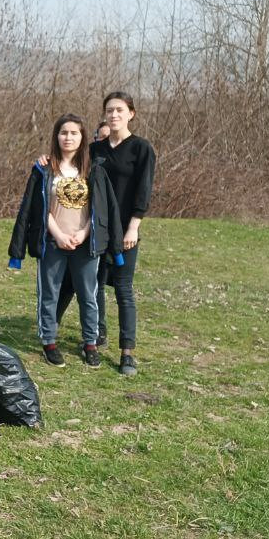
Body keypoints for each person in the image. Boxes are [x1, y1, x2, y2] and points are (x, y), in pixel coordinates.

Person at [7, 113, 123, 368]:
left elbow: (101, 209)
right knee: (49, 294)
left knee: (88, 296)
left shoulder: (94, 169)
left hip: (86, 244)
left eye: (74, 133)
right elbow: (37, 208)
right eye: (63, 133)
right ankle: (49, 341)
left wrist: (84, 233)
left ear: (82, 138)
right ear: (56, 136)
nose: (68, 137)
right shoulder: (44, 170)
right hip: (52, 242)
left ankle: (90, 343)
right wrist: (58, 235)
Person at [55, 92, 156, 376]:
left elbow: (143, 190)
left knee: (123, 289)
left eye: (119, 110)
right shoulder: (95, 150)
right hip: (95, 230)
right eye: (109, 111)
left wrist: (133, 226)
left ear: (131, 114)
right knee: (91, 284)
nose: (114, 115)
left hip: (124, 231)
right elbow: (66, 165)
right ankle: (93, 334)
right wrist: (44, 160)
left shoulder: (141, 148)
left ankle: (127, 352)